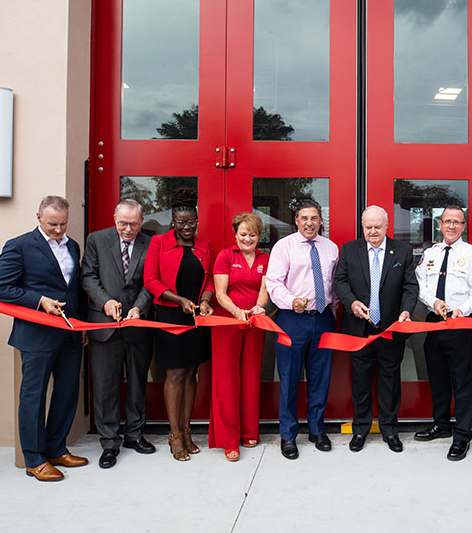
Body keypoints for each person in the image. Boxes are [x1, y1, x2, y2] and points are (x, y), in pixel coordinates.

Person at [0, 195, 88, 482]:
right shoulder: (18, 246)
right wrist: (40, 300)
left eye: (63, 224)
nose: (58, 230)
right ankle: (35, 459)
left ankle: (57, 448)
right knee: (33, 397)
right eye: (52, 224)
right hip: (36, 335)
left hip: (69, 334)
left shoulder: (72, 245)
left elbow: (74, 290)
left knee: (67, 393)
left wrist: (80, 328)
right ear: (38, 218)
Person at [333, 206, 418, 453]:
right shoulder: (350, 250)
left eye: (377, 227)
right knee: (360, 381)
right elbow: (340, 281)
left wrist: (406, 311)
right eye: (368, 226)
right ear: (362, 226)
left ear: (386, 226)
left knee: (390, 381)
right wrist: (352, 303)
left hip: (390, 329)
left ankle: (390, 429)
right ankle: (360, 429)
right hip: (358, 329)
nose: (372, 231)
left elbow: (410, 287)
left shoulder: (403, 251)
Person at [80, 199, 155, 469]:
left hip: (138, 325)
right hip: (104, 325)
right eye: (123, 223)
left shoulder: (151, 242)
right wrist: (105, 303)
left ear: (141, 221)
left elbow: (153, 280)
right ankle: (109, 442)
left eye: (133, 224)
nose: (128, 229)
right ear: (114, 218)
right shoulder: (96, 240)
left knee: (137, 383)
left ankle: (134, 434)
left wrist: (139, 307)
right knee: (105, 386)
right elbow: (87, 275)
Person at [413, 205, 472, 462]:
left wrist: (461, 309)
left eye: (457, 222)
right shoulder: (430, 254)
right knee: (438, 378)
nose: (451, 226)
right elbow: (419, 284)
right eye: (447, 221)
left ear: (464, 226)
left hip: (461, 324)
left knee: (463, 383)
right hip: (434, 322)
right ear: (440, 224)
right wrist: (433, 302)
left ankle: (462, 436)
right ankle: (441, 424)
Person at [142, 188, 214, 462]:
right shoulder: (159, 243)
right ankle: (174, 435)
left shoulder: (204, 245)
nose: (187, 227)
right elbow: (151, 280)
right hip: (170, 315)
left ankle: (187, 430)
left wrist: (205, 301)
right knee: (174, 374)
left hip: (197, 316)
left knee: (192, 372)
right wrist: (179, 299)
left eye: (191, 222)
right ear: (173, 222)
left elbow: (208, 281)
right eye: (181, 222)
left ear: (197, 220)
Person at [265, 198, 339, 460]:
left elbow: (334, 285)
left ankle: (317, 430)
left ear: (321, 221)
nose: (309, 223)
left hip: (323, 320)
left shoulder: (331, 248)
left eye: (314, 218)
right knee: (289, 379)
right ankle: (288, 435)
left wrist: (334, 308)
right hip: (291, 319)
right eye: (304, 218)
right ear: (296, 220)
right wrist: (290, 301)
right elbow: (273, 283)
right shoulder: (284, 247)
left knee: (320, 378)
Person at [210, 212, 270, 462]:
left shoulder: (265, 258)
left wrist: (258, 307)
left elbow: (265, 289)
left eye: (252, 234)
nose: (248, 238)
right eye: (243, 234)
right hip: (227, 322)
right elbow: (220, 293)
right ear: (235, 234)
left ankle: (248, 432)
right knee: (226, 380)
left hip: (254, 323)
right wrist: (236, 311)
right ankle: (228, 440)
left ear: (259, 236)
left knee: (250, 376)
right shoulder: (226, 256)